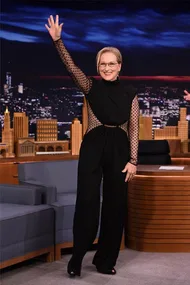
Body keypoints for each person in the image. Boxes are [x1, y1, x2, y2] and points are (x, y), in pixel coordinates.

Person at [45, 15, 139, 277]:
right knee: (87, 201)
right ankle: (76, 259)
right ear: (98, 66)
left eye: (112, 63)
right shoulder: (90, 86)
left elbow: (133, 128)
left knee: (115, 205)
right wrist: (58, 41)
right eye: (103, 64)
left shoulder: (131, 93)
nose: (107, 68)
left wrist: (133, 160)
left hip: (120, 149)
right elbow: (71, 67)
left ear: (120, 66)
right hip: (93, 146)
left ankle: (105, 260)